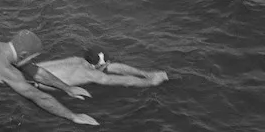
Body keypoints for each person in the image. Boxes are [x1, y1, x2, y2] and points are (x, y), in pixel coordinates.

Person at [29, 46, 169, 91]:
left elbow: (114, 67)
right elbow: (126, 81)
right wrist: (151, 82)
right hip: (33, 83)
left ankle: (146, 73)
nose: (108, 66)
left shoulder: (77, 60)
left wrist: (146, 74)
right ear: (98, 66)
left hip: (29, 69)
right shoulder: (92, 75)